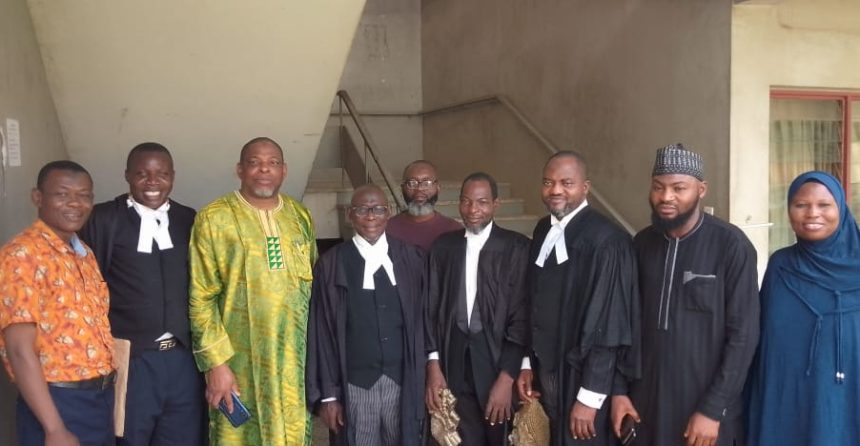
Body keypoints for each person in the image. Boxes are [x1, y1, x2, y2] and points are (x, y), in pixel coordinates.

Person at [611, 143, 759, 446]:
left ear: (701, 189)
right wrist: (618, 391)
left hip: (703, 413)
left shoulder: (730, 246)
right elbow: (623, 322)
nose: (666, 197)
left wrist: (713, 409)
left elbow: (743, 336)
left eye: (679, 188)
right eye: (658, 187)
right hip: (644, 406)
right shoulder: (641, 244)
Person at [188, 137, 317, 445]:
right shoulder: (214, 218)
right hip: (238, 362)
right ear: (240, 170)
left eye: (272, 163)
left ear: (284, 171)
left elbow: (315, 289)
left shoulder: (299, 216)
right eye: (255, 163)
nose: (264, 170)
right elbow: (201, 297)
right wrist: (216, 364)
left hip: (294, 363)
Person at [80, 143, 207, 445]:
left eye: (161, 174)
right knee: (130, 438)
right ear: (127, 176)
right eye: (142, 174)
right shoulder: (103, 220)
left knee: (183, 438)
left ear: (173, 177)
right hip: (132, 358)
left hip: (182, 359)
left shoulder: (189, 219)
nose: (152, 182)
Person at [516, 151, 639, 445]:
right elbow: (532, 300)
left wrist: (590, 397)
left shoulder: (607, 241)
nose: (555, 190)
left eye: (566, 182)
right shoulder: (543, 228)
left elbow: (609, 325)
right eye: (548, 182)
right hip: (546, 372)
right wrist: (526, 364)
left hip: (580, 379)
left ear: (585, 187)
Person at [0, 161, 115, 445]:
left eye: (84, 195)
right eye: (62, 194)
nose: (75, 203)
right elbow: (18, 348)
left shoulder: (83, 253)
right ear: (37, 198)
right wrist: (53, 428)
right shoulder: (22, 255)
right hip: (56, 401)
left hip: (98, 400)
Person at [305, 184, 426, 446]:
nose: (370, 216)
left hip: (403, 381)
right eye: (362, 209)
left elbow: (425, 322)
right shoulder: (332, 264)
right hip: (355, 385)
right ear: (350, 214)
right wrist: (328, 395)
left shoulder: (411, 259)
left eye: (378, 209)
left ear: (389, 213)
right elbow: (322, 334)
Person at [746, 171, 860, 446]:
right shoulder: (781, 266)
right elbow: (764, 343)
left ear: (841, 209)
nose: (812, 213)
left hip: (848, 400)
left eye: (824, 205)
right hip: (788, 403)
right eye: (800, 205)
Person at [425, 172, 530, 445]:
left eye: (482, 202)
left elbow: (522, 317)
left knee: (500, 436)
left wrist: (507, 378)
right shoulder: (443, 248)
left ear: (496, 204)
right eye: (466, 201)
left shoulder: (516, 248)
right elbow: (431, 309)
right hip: (453, 361)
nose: (473, 210)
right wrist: (434, 366)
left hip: (495, 360)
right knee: (460, 437)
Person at [386, 160, 462, 252]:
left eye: (426, 183)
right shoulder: (388, 229)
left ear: (438, 188)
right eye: (412, 183)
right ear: (403, 188)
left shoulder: (454, 230)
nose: (419, 189)